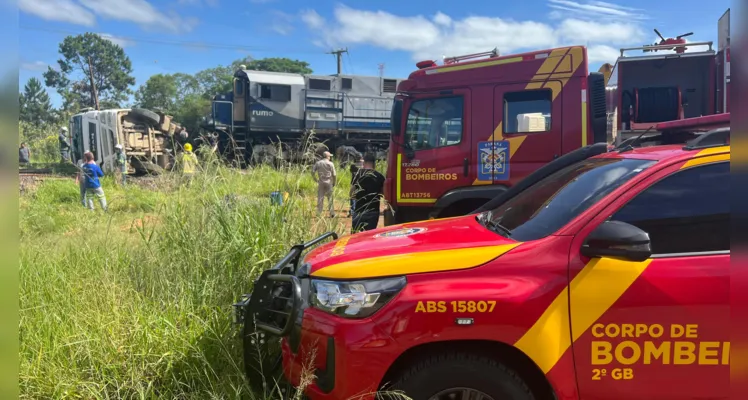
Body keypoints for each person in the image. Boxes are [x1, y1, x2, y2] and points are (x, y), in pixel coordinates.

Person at [351, 152, 385, 233]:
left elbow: (351, 193)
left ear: (364, 162)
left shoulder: (358, 174)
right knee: (369, 237)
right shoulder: (380, 176)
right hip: (373, 211)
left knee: (355, 237)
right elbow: (384, 193)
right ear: (374, 163)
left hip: (359, 210)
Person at [311, 151, 337, 217]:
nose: (330, 157)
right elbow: (334, 174)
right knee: (330, 198)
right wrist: (334, 182)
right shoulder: (331, 164)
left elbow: (312, 171)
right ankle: (332, 213)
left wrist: (315, 179)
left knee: (320, 198)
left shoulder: (318, 163)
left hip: (321, 182)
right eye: (330, 156)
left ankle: (318, 213)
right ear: (327, 156)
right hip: (329, 182)